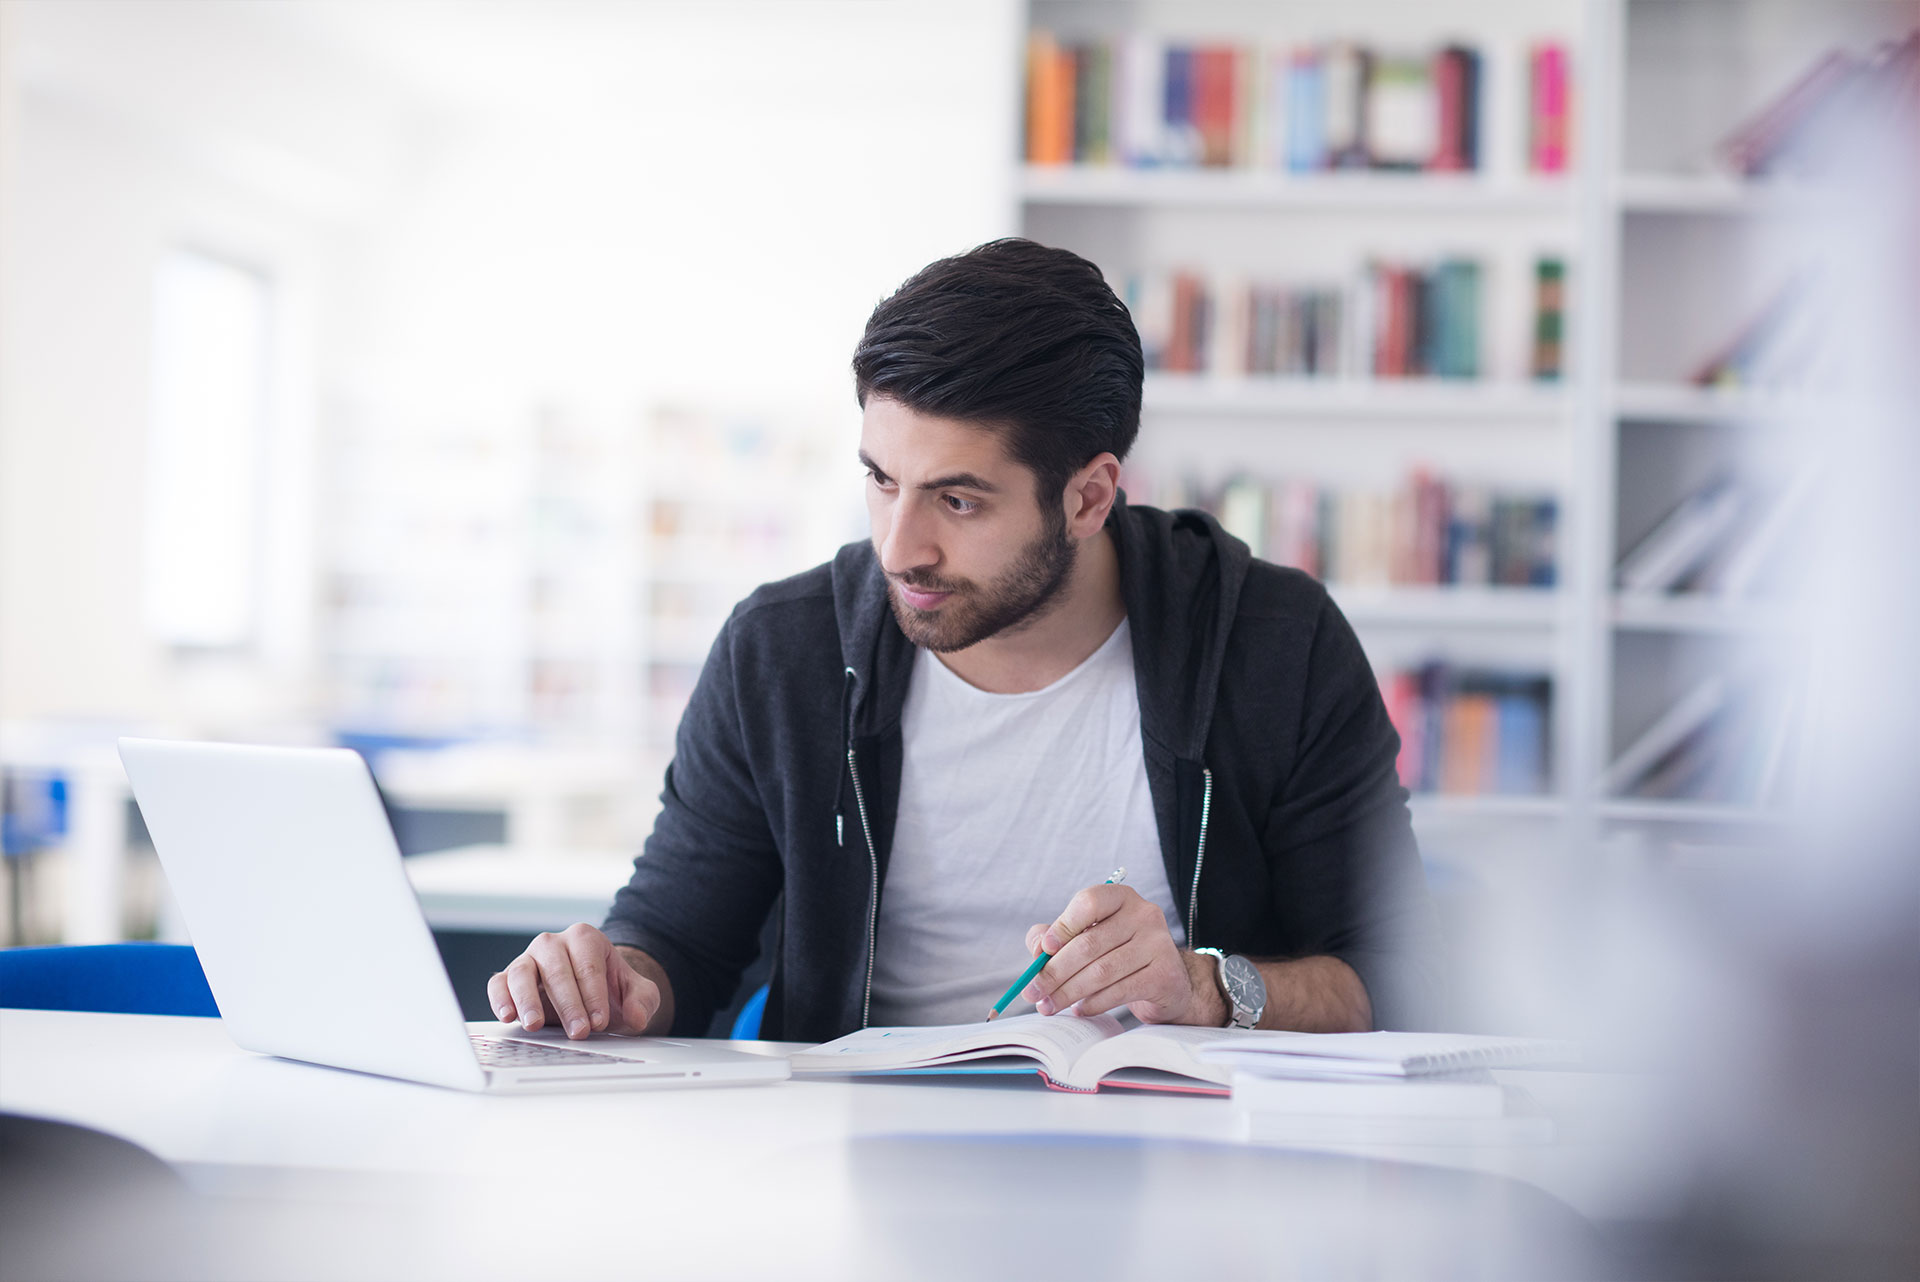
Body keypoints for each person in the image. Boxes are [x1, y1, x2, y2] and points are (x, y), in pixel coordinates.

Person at [489, 238, 1441, 1044]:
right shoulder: (785, 653)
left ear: (1089, 497)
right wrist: (610, 984)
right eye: (881, 481)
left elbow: (1394, 976)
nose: (900, 549)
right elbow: (676, 942)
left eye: (958, 499)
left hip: (1186, 1160)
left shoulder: (1274, 645)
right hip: (857, 1160)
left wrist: (1205, 989)